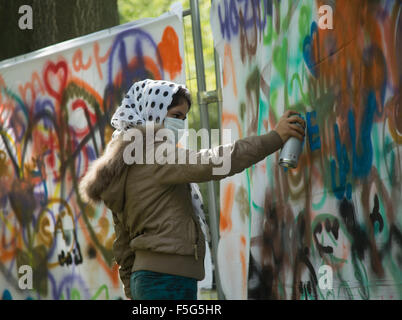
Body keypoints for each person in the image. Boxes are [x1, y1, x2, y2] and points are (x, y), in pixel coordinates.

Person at [78, 79, 306, 300]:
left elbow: (123, 243)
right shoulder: (154, 153)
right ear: (152, 111)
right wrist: (275, 138)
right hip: (167, 279)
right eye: (176, 116)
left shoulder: (126, 162)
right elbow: (216, 161)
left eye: (184, 117)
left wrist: (133, 288)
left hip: (147, 280)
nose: (181, 124)